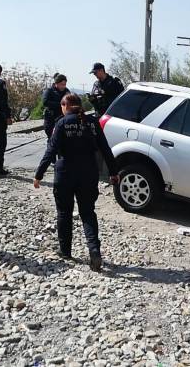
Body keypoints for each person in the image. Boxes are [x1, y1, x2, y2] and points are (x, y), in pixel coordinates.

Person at [33, 93, 119, 272]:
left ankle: (65, 251)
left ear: (65, 106)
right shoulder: (93, 122)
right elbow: (105, 149)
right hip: (88, 173)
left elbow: (51, 151)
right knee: (87, 212)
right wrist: (114, 172)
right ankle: (94, 250)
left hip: (65, 173)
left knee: (64, 212)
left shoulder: (62, 123)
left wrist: (39, 174)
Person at [42, 73, 70, 162]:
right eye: (62, 84)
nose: (63, 86)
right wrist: (60, 104)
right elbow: (45, 102)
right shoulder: (49, 91)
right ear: (56, 83)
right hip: (51, 119)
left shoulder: (66, 91)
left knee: (62, 140)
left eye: (64, 84)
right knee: (51, 140)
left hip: (62, 119)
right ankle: (51, 160)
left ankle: (61, 159)